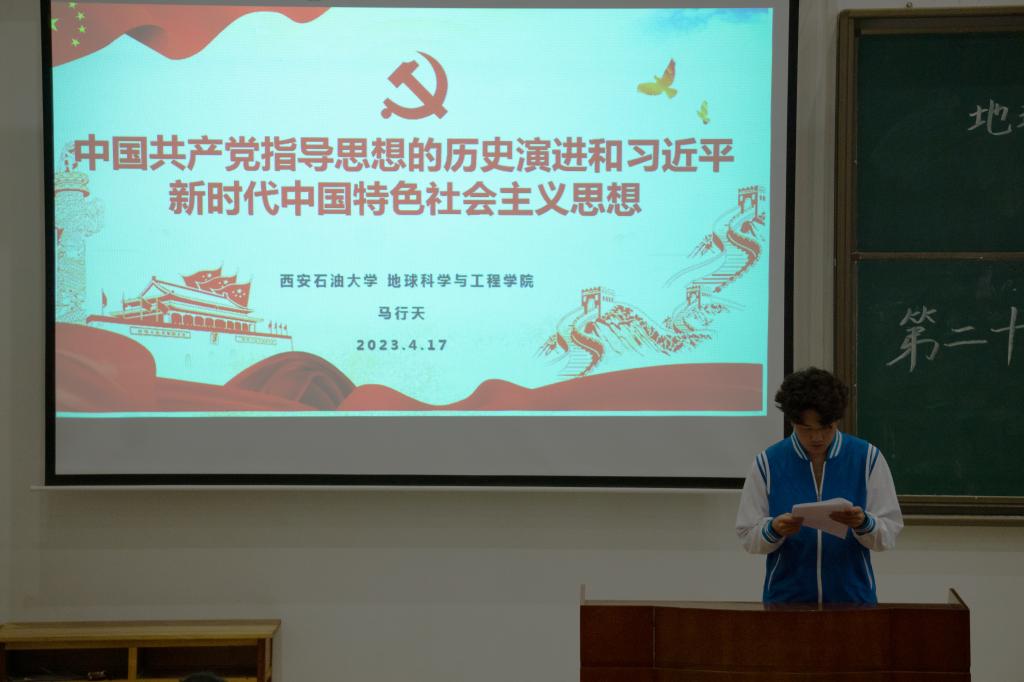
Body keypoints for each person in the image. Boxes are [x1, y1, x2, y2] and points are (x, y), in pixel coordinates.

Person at [736, 367, 903, 604]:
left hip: (853, 600)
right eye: (807, 429)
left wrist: (863, 523)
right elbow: (747, 536)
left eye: (826, 428)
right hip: (786, 602)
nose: (817, 438)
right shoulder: (768, 463)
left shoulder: (867, 458)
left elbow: (889, 533)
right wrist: (774, 529)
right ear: (792, 422)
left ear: (837, 420)